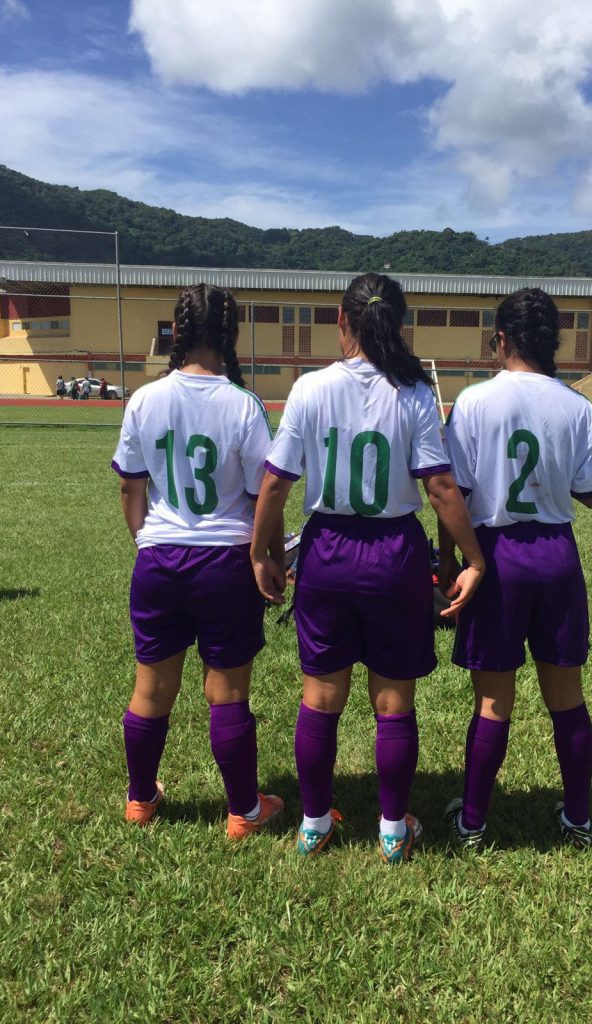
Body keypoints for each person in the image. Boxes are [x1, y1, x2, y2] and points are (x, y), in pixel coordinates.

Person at [251, 272, 485, 863]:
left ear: (341, 320)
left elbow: (275, 485)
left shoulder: (309, 388)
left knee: (320, 697)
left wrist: (264, 553)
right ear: (397, 324)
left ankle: (312, 822)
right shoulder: (412, 392)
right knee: (393, 703)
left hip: (328, 550)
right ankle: (391, 829)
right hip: (393, 555)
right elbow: (439, 486)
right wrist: (471, 556)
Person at [441, 287, 592, 851]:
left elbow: (454, 497)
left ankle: (472, 822)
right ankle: (579, 820)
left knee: (493, 700)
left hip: (496, 558)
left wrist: (450, 565)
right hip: (557, 556)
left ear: (503, 340)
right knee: (567, 693)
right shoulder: (576, 405)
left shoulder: (473, 402)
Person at [111, 283, 284, 837]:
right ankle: (243, 813)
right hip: (225, 563)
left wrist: (148, 542)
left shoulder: (144, 398)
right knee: (227, 691)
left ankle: (141, 799)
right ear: (230, 336)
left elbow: (130, 491)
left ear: (176, 333)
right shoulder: (243, 404)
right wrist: (266, 558)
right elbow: (265, 497)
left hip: (159, 560)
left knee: (151, 687)